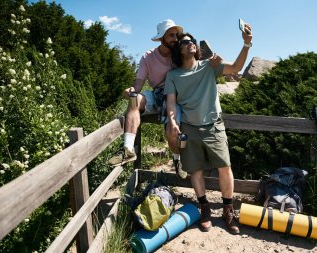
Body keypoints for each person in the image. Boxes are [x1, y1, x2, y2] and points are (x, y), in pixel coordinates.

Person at [164, 23, 252, 234]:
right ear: (179, 49)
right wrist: (173, 121)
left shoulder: (209, 66)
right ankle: (204, 208)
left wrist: (247, 43)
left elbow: (236, 68)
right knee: (195, 170)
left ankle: (228, 210)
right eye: (185, 42)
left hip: (214, 126)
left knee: (225, 167)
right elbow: (171, 102)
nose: (190, 43)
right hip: (190, 128)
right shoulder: (173, 76)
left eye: (192, 41)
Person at [108, 19, 219, 179]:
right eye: (171, 35)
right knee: (135, 100)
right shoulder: (148, 57)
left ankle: (177, 159)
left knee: (170, 132)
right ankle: (128, 149)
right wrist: (130, 91)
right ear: (162, 38)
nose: (175, 38)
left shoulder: (179, 55)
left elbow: (195, 62)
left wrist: (213, 61)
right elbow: (138, 84)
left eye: (176, 35)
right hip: (156, 94)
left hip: (175, 96)